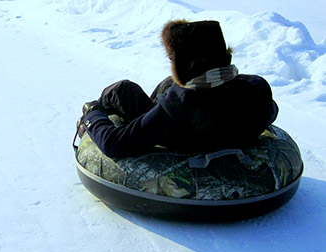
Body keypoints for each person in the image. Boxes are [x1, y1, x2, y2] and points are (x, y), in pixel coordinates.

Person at [77, 19, 278, 159]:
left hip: (177, 136)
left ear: (184, 63)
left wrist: (92, 115)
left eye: (173, 59)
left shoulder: (178, 106)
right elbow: (271, 111)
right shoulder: (256, 88)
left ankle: (98, 113)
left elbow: (114, 145)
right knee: (168, 84)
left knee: (121, 90)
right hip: (216, 128)